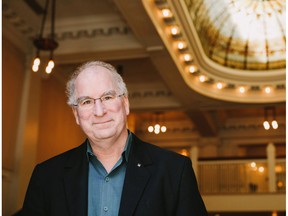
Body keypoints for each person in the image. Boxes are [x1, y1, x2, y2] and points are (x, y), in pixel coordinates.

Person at [22, 61, 208, 216]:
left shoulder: (175, 171)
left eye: (108, 97)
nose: (99, 111)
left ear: (125, 103)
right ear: (76, 114)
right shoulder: (46, 176)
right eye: (86, 102)